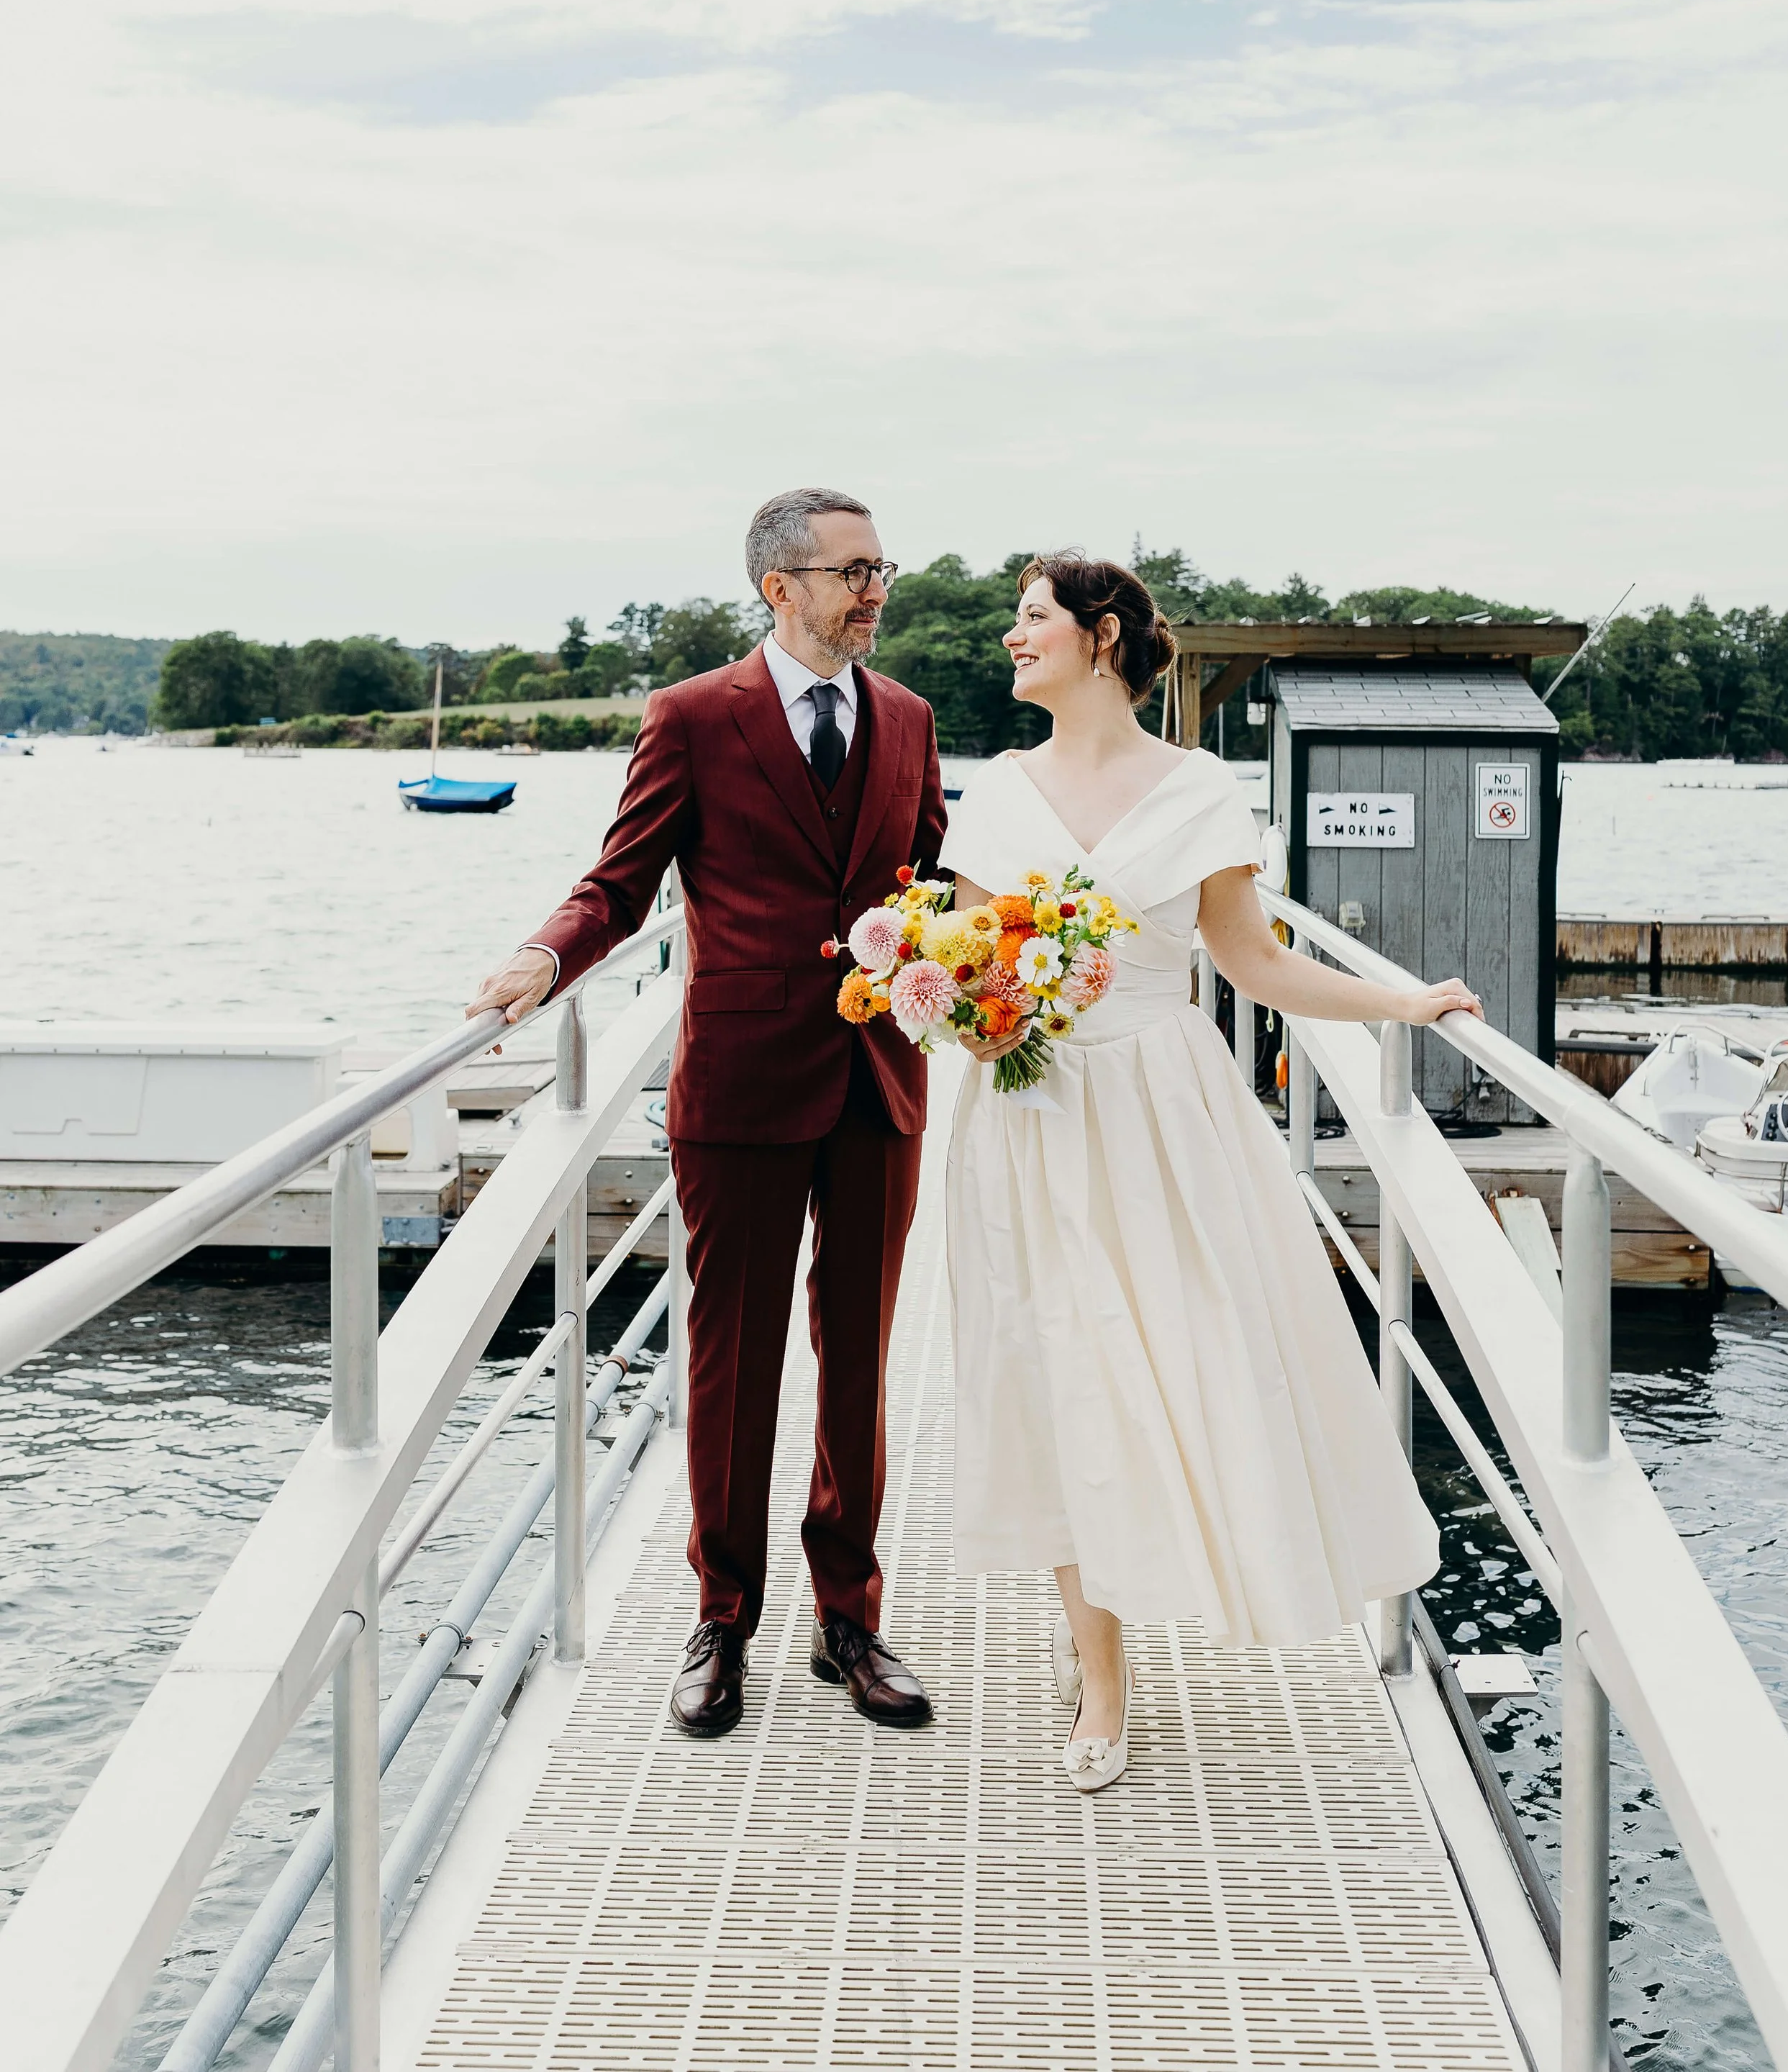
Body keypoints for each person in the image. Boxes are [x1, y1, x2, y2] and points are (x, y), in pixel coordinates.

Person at [941, 553, 1475, 1795]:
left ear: (1101, 634)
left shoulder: (1196, 792)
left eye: (1031, 619)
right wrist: (968, 1015)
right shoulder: (996, 792)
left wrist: (1402, 999)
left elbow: (1254, 961)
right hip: (1028, 1113)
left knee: (1182, 1362)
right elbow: (972, 963)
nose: (1011, 638)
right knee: (1053, 1366)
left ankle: (1187, 1580)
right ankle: (1103, 1677)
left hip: (1163, 1110)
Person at [467, 488, 946, 1738]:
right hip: (738, 1086)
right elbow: (621, 882)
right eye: (853, 570)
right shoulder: (692, 716)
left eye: (881, 566)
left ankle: (849, 1618)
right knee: (734, 1366)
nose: (875, 588)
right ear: (779, 586)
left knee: (861, 1363)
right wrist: (542, 956)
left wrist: (1007, 956)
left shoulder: (909, 718)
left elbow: (927, 881)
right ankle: (721, 1618)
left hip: (878, 1078)